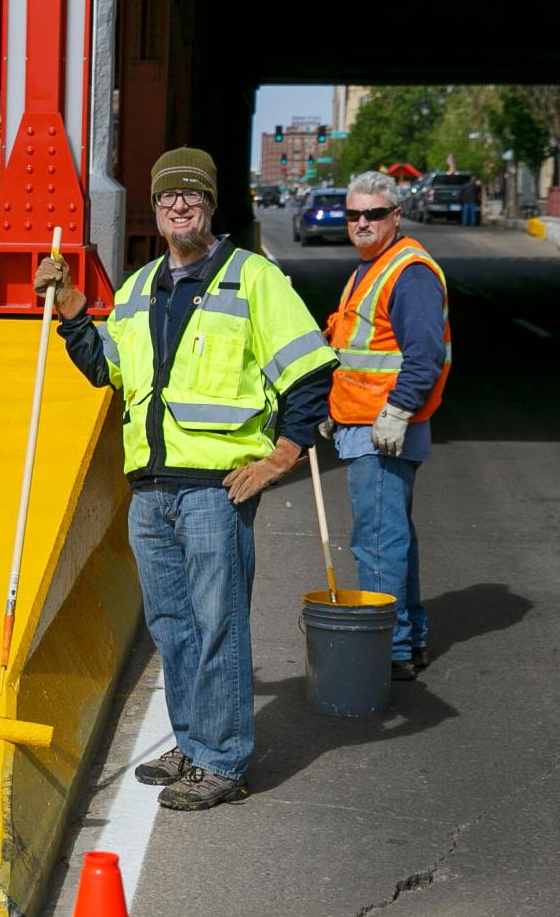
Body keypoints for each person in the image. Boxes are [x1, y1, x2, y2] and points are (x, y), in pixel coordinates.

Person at [35, 148, 336, 812]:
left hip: (214, 489)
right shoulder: (141, 287)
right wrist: (72, 310)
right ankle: (194, 742)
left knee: (216, 621)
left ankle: (223, 760)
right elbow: (106, 368)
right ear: (155, 207)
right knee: (173, 625)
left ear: (210, 205)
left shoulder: (253, 279)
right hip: (150, 489)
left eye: (191, 196)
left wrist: (281, 457)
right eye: (168, 196)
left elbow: (310, 372)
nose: (179, 205)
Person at [324, 170, 450, 680]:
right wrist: (336, 411)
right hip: (364, 423)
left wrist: (396, 412)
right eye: (353, 214)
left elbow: (426, 355)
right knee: (392, 536)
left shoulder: (407, 272)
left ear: (396, 216)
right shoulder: (370, 268)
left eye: (374, 214)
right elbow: (357, 352)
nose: (362, 223)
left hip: (384, 428)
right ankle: (406, 639)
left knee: (377, 540)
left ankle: (390, 649)